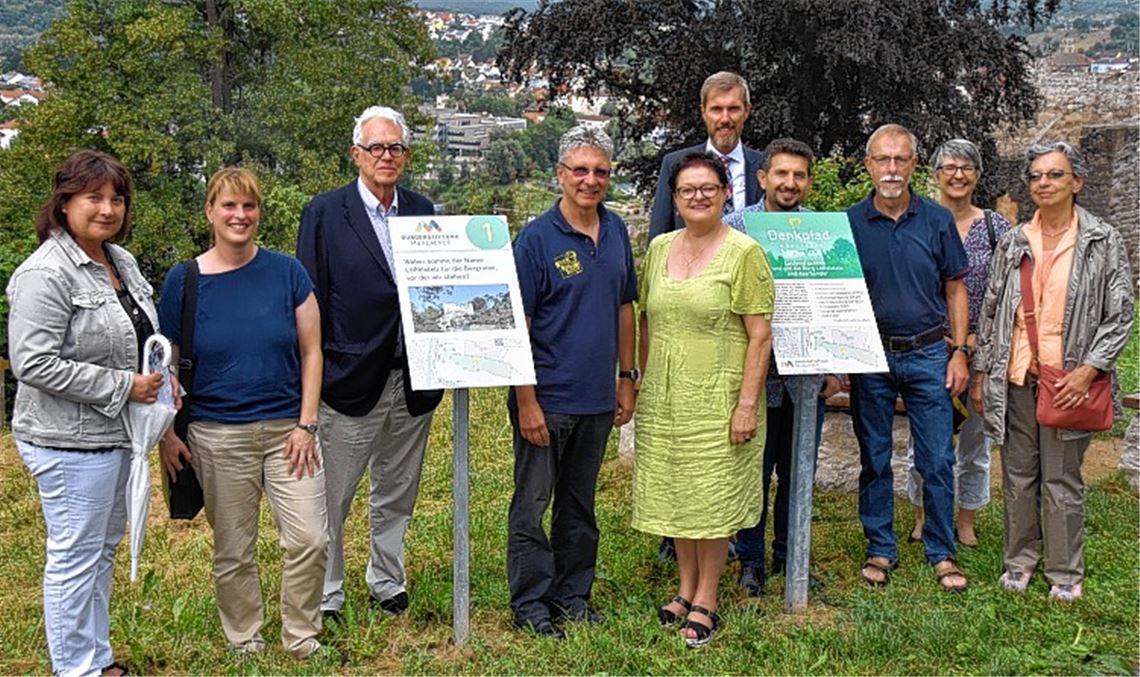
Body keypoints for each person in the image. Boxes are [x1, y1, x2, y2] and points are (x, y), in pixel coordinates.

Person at [158, 167, 328, 658]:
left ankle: (300, 636)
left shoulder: (288, 272)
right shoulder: (183, 281)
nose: (240, 215)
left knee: (310, 539)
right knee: (233, 549)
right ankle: (244, 638)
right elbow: (166, 361)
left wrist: (307, 424)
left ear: (259, 214)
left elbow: (313, 351)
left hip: (288, 433)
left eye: (249, 206)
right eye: (229, 205)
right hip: (216, 434)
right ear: (210, 212)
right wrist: (168, 433)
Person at [8, 150, 160, 677]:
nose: (107, 208)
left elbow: (138, 334)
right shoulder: (45, 273)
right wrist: (125, 385)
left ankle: (96, 659)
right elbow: (32, 363)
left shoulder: (120, 261)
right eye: (93, 197)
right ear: (64, 202)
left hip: (116, 435)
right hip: (68, 441)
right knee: (75, 557)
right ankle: (76, 669)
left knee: (100, 552)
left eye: (116, 198)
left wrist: (160, 379)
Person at [296, 105, 442, 621]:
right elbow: (310, 300)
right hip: (349, 380)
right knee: (333, 496)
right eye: (376, 147)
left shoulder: (425, 210)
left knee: (397, 491)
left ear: (407, 155)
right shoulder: (324, 213)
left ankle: (387, 579)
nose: (386, 156)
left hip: (416, 378)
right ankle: (328, 592)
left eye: (396, 147)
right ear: (356, 153)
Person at [973, 141, 1134, 601]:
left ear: (1076, 182)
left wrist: (1089, 369)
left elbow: (1120, 313)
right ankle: (1020, 561)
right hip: (1018, 375)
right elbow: (991, 309)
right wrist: (984, 370)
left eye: (1055, 175)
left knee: (1062, 479)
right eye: (1037, 176)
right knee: (1019, 475)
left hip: (1070, 380)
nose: (1044, 183)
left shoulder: (1102, 241)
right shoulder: (1014, 240)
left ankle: (1065, 571)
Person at [635, 152, 774, 647]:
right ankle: (685, 586)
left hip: (719, 396)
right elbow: (646, 320)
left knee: (711, 499)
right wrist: (640, 380)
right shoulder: (659, 248)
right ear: (674, 199)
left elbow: (760, 335)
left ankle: (708, 597)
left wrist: (745, 404)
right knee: (680, 495)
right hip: (665, 396)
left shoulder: (743, 253)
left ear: (726, 193)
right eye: (687, 189)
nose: (698, 196)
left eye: (707, 188)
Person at [507, 126, 638, 639]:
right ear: (559, 174)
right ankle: (532, 605)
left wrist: (626, 379)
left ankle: (572, 595)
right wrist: (526, 400)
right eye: (580, 170)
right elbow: (518, 323)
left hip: (596, 399)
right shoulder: (536, 240)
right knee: (533, 506)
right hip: (547, 397)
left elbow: (626, 307)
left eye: (600, 171)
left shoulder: (618, 230)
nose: (590, 180)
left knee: (580, 504)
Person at [846, 124, 971, 592]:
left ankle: (941, 550)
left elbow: (956, 289)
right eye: (883, 160)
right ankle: (880, 546)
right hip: (871, 356)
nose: (892, 170)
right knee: (875, 456)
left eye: (901, 160)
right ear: (869, 165)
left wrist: (958, 352)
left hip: (928, 354)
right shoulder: (851, 221)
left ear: (915, 165)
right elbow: (839, 293)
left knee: (937, 458)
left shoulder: (938, 220)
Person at [724, 138, 844, 595]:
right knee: (754, 472)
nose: (789, 183)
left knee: (798, 472)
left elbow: (836, 304)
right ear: (762, 178)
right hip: (752, 375)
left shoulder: (824, 231)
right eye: (781, 174)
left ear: (809, 182)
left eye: (798, 175)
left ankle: (791, 555)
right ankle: (750, 561)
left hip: (806, 377)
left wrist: (838, 368)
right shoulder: (735, 227)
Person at [904, 139, 1012, 548]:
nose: (958, 175)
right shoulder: (920, 221)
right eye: (949, 167)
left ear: (977, 176)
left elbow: (1003, 292)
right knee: (924, 441)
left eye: (966, 168)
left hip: (980, 347)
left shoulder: (994, 227)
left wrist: (973, 341)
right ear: (934, 174)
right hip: (929, 345)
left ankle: (965, 518)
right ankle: (922, 514)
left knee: (974, 442)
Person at [648, 71, 764, 241]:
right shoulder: (674, 165)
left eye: (733, 109)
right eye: (716, 109)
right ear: (703, 112)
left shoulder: (765, 167)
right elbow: (658, 237)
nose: (725, 119)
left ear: (747, 111)